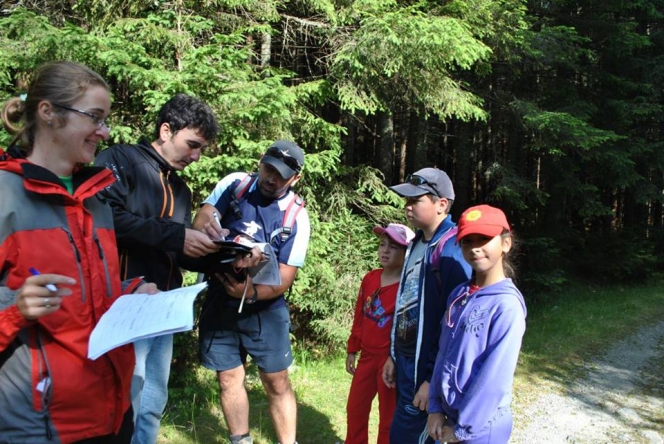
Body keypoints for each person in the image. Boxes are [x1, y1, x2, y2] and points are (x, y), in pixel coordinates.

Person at [0, 60, 158, 443]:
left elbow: (86, 294)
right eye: (94, 117)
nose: (104, 132)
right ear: (48, 113)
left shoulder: (94, 198)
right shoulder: (5, 196)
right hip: (38, 425)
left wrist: (129, 291)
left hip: (111, 412)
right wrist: (15, 309)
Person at [93, 93, 222, 444]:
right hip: (122, 304)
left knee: (152, 401)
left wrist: (223, 256)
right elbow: (105, 219)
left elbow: (177, 251)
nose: (195, 157)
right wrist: (177, 235)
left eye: (201, 149)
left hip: (163, 307)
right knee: (123, 401)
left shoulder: (179, 188)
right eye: (192, 145)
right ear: (166, 130)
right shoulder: (119, 160)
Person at [193, 140, 310, 444]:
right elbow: (202, 217)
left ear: (295, 179)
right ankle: (240, 439)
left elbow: (285, 278)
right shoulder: (235, 185)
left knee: (276, 381)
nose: (272, 178)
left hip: (265, 311)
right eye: (268, 168)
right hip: (219, 301)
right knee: (228, 377)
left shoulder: (296, 216)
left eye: (281, 175)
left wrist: (250, 291)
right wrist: (210, 230)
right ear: (260, 161)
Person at [382, 168, 473, 443]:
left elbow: (455, 325)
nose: (407, 206)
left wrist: (432, 381)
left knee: (406, 436)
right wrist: (393, 355)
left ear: (441, 204)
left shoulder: (451, 251)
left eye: (415, 200)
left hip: (427, 372)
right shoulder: (417, 243)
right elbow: (405, 305)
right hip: (407, 361)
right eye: (406, 200)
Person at [427, 204, 526, 444]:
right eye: (467, 241)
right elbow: (444, 352)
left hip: (481, 428)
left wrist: (463, 429)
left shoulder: (506, 306)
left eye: (484, 238)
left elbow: (495, 377)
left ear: (505, 243)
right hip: (450, 417)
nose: (475, 248)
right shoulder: (459, 295)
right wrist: (435, 407)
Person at [345, 223, 415, 444]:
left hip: (389, 362)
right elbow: (360, 315)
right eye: (382, 245)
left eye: (393, 247)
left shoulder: (408, 287)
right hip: (367, 356)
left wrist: (394, 358)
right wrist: (352, 348)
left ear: (406, 253)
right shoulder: (370, 278)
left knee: (388, 417)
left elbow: (408, 330)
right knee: (355, 408)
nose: (385, 250)